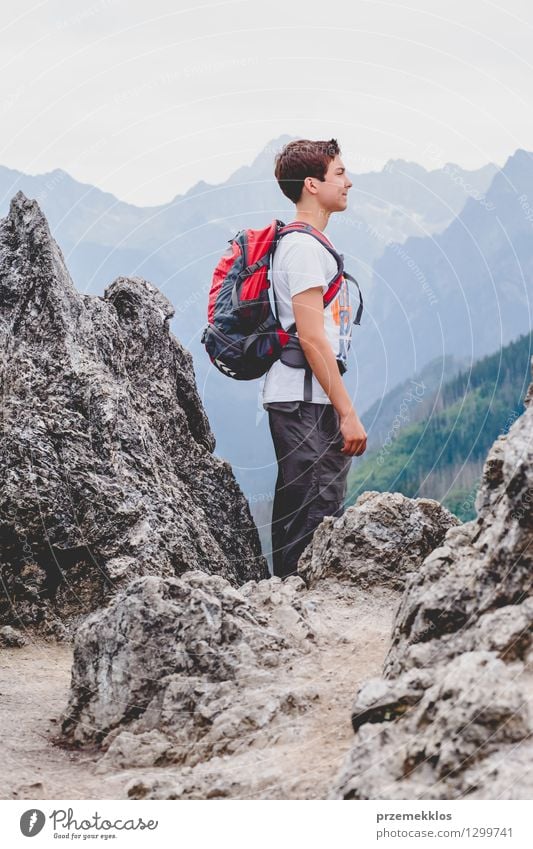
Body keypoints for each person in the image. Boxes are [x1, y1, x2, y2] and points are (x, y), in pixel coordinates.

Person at [263, 137, 367, 579]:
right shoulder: (304, 249)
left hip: (306, 399)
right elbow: (311, 339)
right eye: (339, 173)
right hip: (304, 402)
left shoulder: (309, 244)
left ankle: (289, 605)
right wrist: (347, 413)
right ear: (312, 184)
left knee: (310, 514)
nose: (348, 182)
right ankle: (290, 612)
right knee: (310, 519)